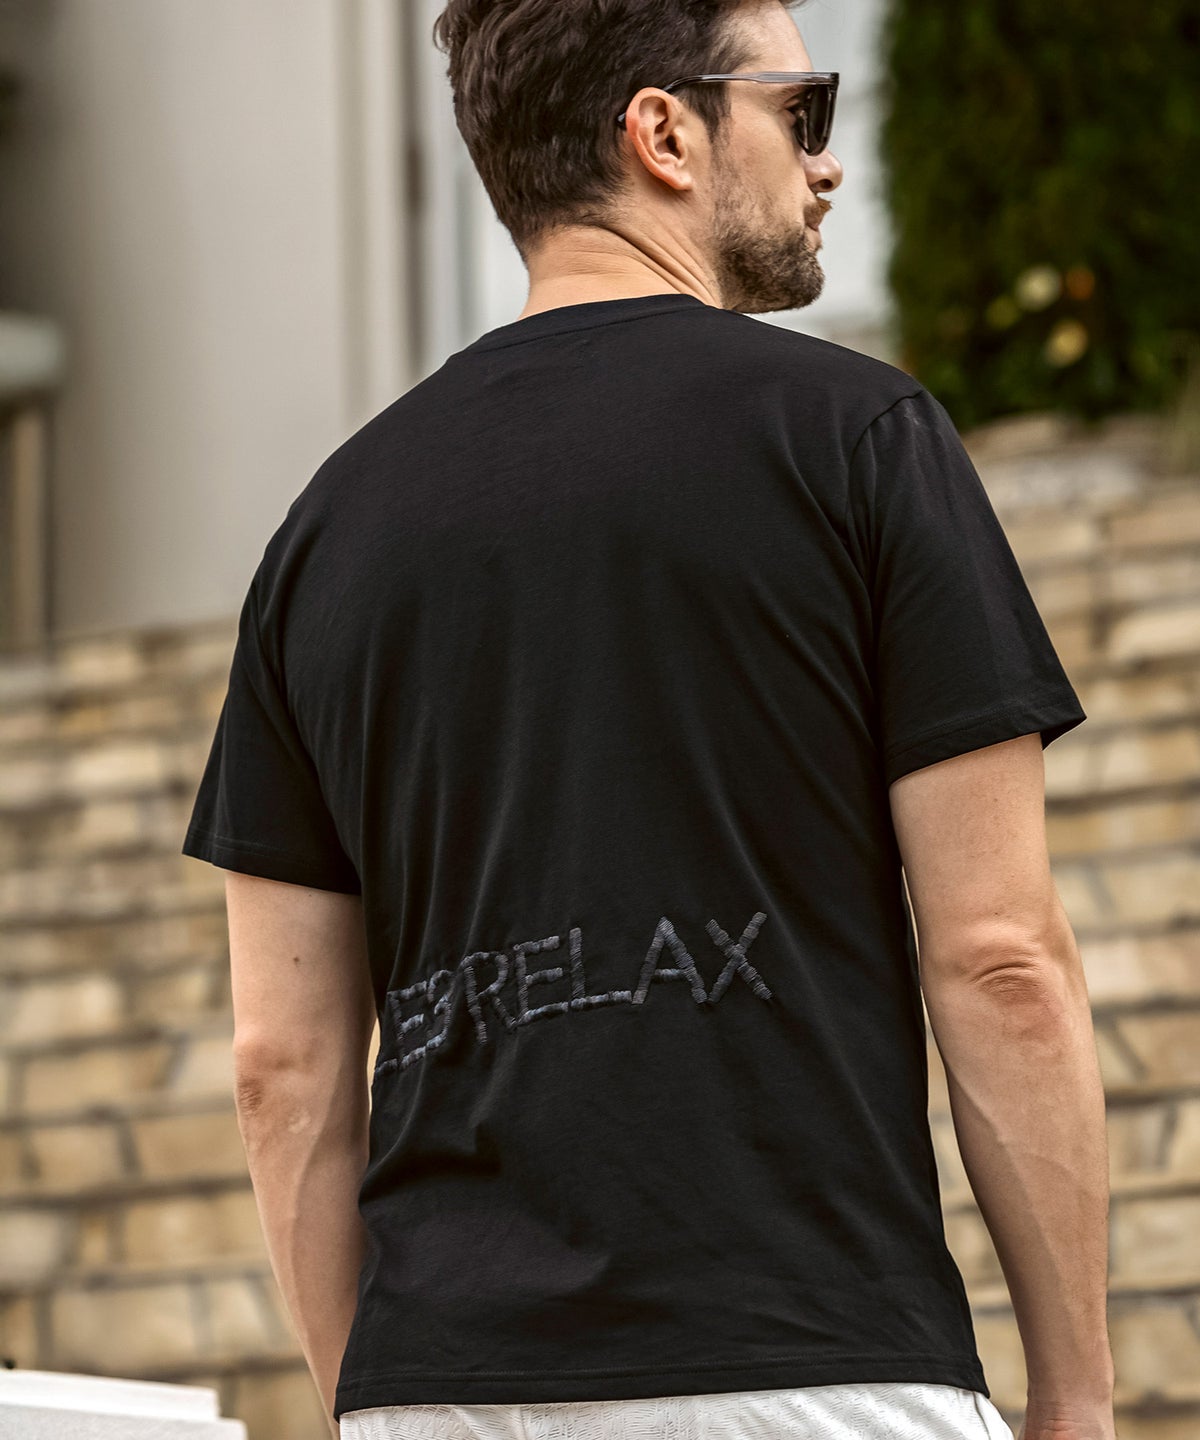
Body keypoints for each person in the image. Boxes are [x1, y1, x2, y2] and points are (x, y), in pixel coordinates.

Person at [181, 2, 1116, 1438]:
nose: (828, 163)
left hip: (444, 1394)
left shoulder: (321, 539)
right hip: (809, 1372)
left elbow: (281, 1067)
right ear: (665, 133)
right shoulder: (860, 441)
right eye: (800, 109)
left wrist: (384, 1400)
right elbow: (1000, 960)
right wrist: (1077, 1398)